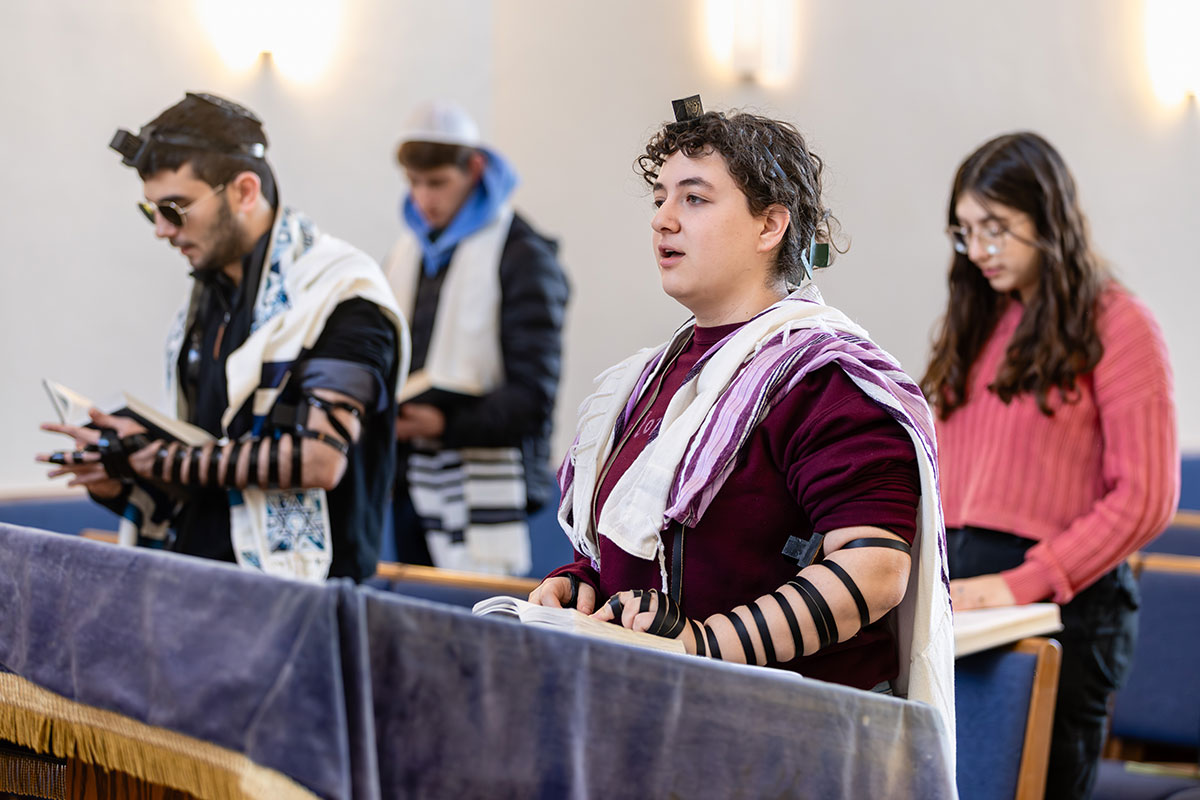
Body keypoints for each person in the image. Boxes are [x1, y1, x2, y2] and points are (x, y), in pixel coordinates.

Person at [528, 98, 955, 736]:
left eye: (695, 198)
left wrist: (701, 643)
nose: (663, 221)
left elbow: (873, 571)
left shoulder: (828, 380)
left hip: (789, 736)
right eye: (659, 199)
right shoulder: (657, 375)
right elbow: (650, 547)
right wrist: (584, 583)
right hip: (659, 717)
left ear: (770, 226)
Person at [37, 92, 408, 582]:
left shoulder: (343, 294)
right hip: (202, 586)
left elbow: (319, 460)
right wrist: (121, 475)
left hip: (309, 605)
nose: (163, 231)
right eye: (152, 213)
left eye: (175, 208)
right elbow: (209, 468)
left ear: (244, 191)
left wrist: (158, 457)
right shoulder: (205, 302)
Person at [922, 131, 1179, 799]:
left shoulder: (1118, 322)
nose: (978, 250)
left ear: (1050, 219)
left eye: (997, 229)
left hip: (1061, 611)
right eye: (966, 231)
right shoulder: (977, 324)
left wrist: (1025, 582)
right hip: (964, 607)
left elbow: (1147, 495)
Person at [383, 100, 569, 576]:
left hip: (491, 483)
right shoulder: (408, 252)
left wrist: (442, 425)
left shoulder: (524, 255)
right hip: (409, 478)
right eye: (414, 184)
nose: (425, 200)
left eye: (438, 183)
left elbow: (533, 400)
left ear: (476, 168)